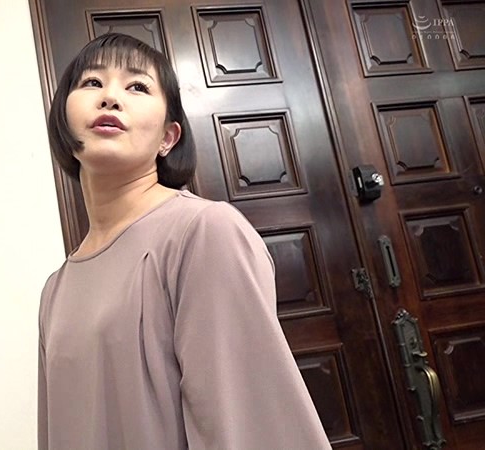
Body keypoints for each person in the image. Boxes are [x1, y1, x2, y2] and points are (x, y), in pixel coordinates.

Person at [38, 33, 331, 450]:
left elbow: (248, 428)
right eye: (92, 82)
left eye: (137, 86)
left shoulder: (204, 233)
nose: (110, 97)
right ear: (63, 122)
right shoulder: (56, 288)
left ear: (168, 138)